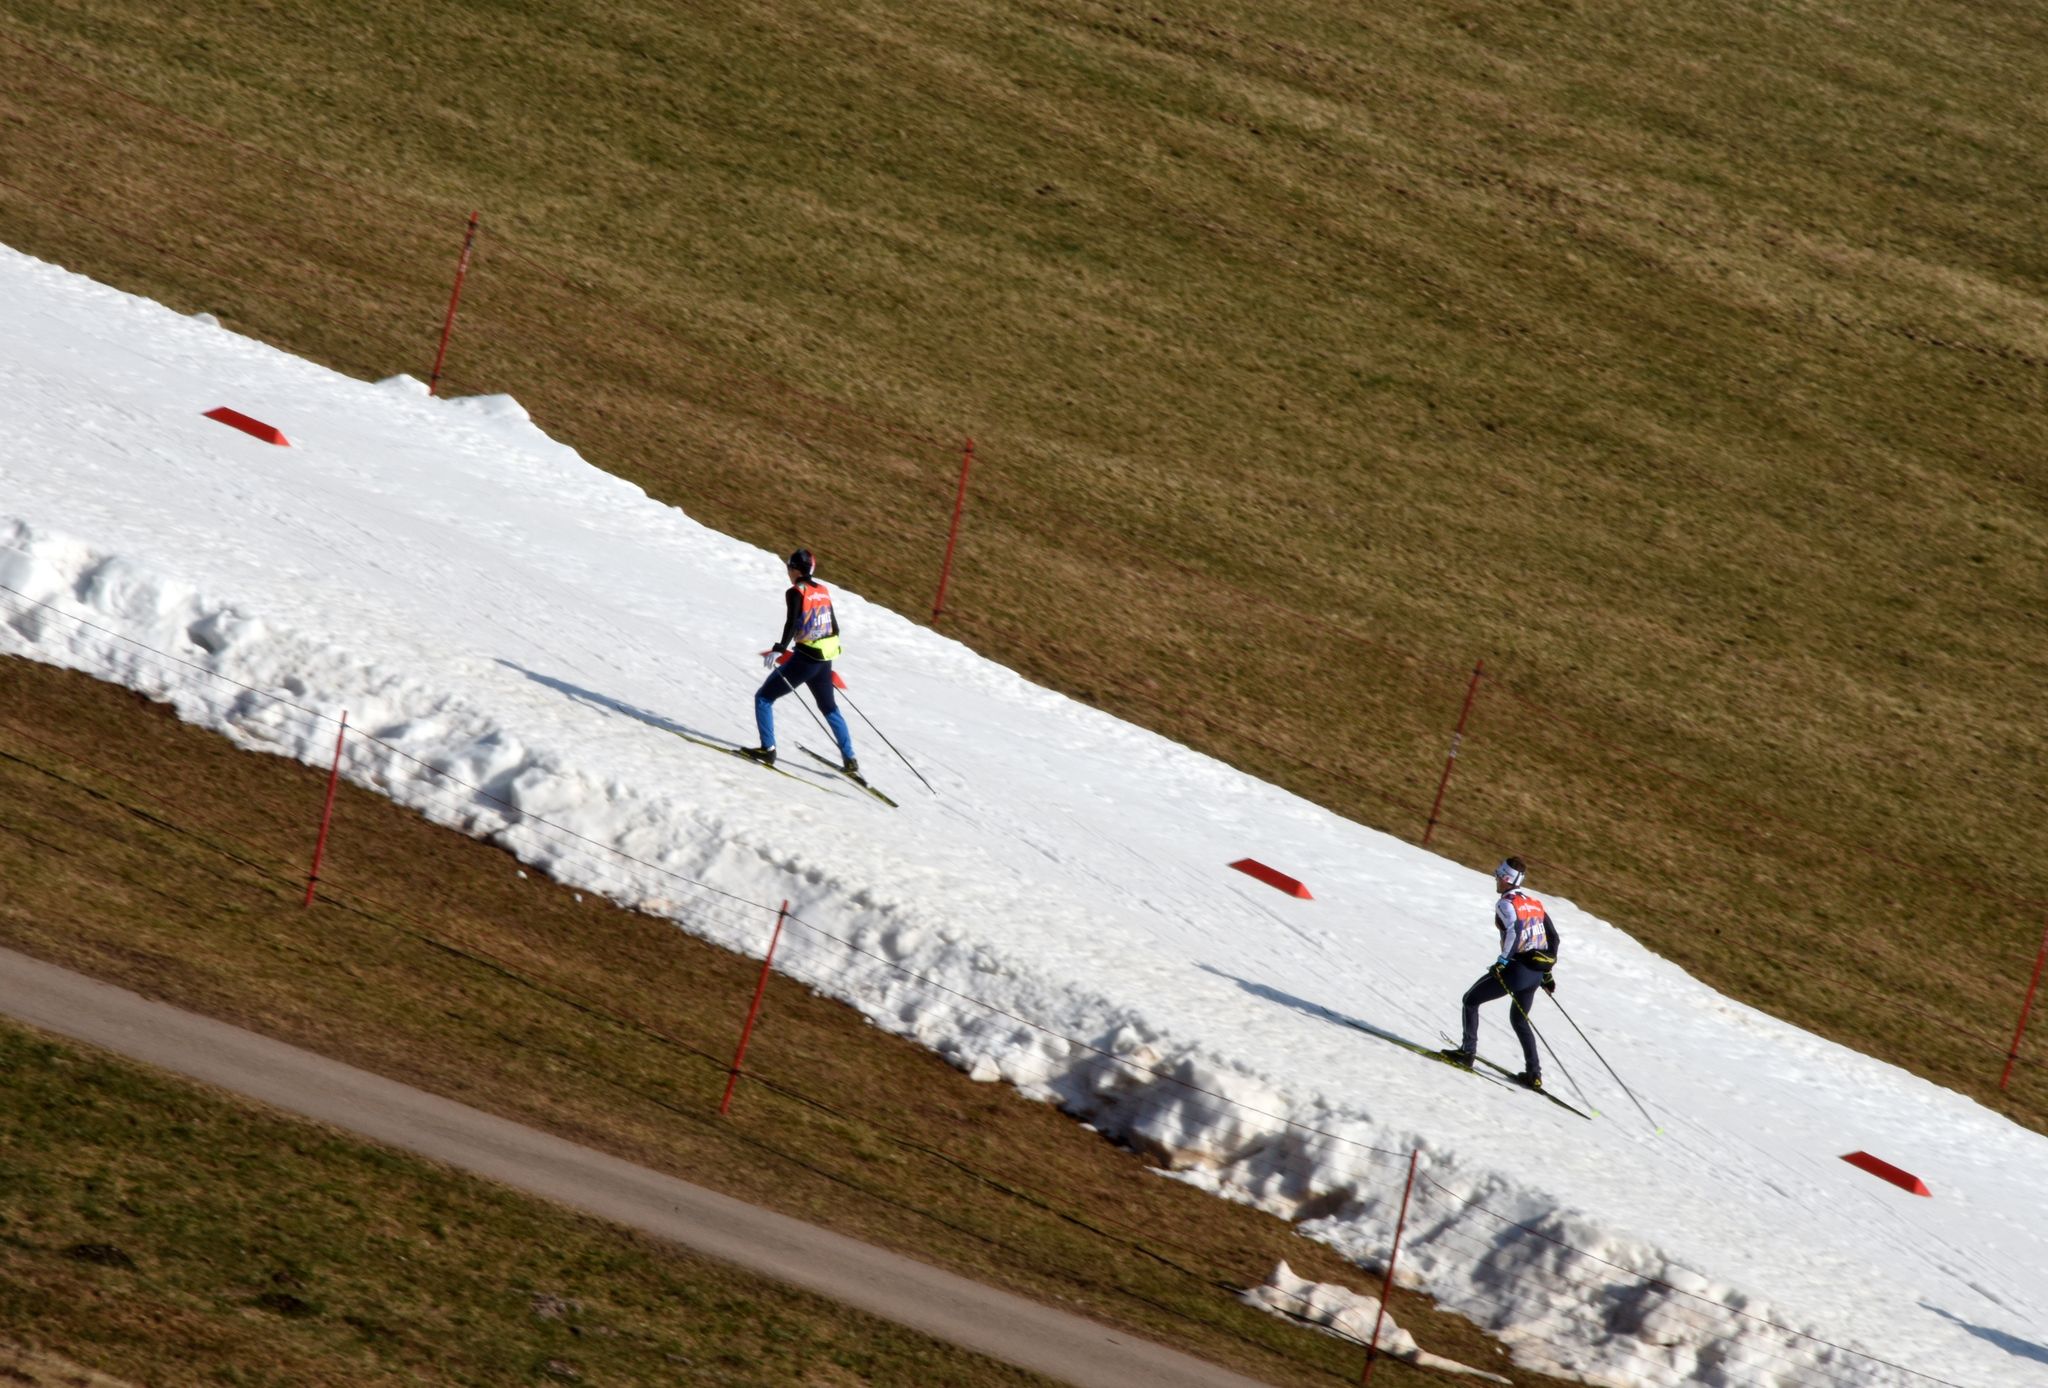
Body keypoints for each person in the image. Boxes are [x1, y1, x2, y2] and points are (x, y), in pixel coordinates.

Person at [1440, 856, 1559, 1090]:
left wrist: (1502, 962)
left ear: (1506, 879)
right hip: (1535, 973)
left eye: (1498, 875)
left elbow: (1514, 932)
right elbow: (1553, 938)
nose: (1495, 878)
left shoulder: (1506, 904)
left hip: (1516, 970)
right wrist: (1547, 972)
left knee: (1470, 1000)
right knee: (1519, 1019)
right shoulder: (1535, 903)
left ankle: (1467, 1053)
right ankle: (1534, 1074)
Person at [741, 549, 858, 773]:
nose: (788, 572)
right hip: (824, 660)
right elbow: (834, 626)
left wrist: (779, 649)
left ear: (795, 569)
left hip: (804, 660)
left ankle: (768, 749)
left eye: (789, 568)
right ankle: (850, 759)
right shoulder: (823, 591)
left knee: (763, 698)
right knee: (829, 709)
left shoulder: (796, 592)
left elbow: (793, 623)